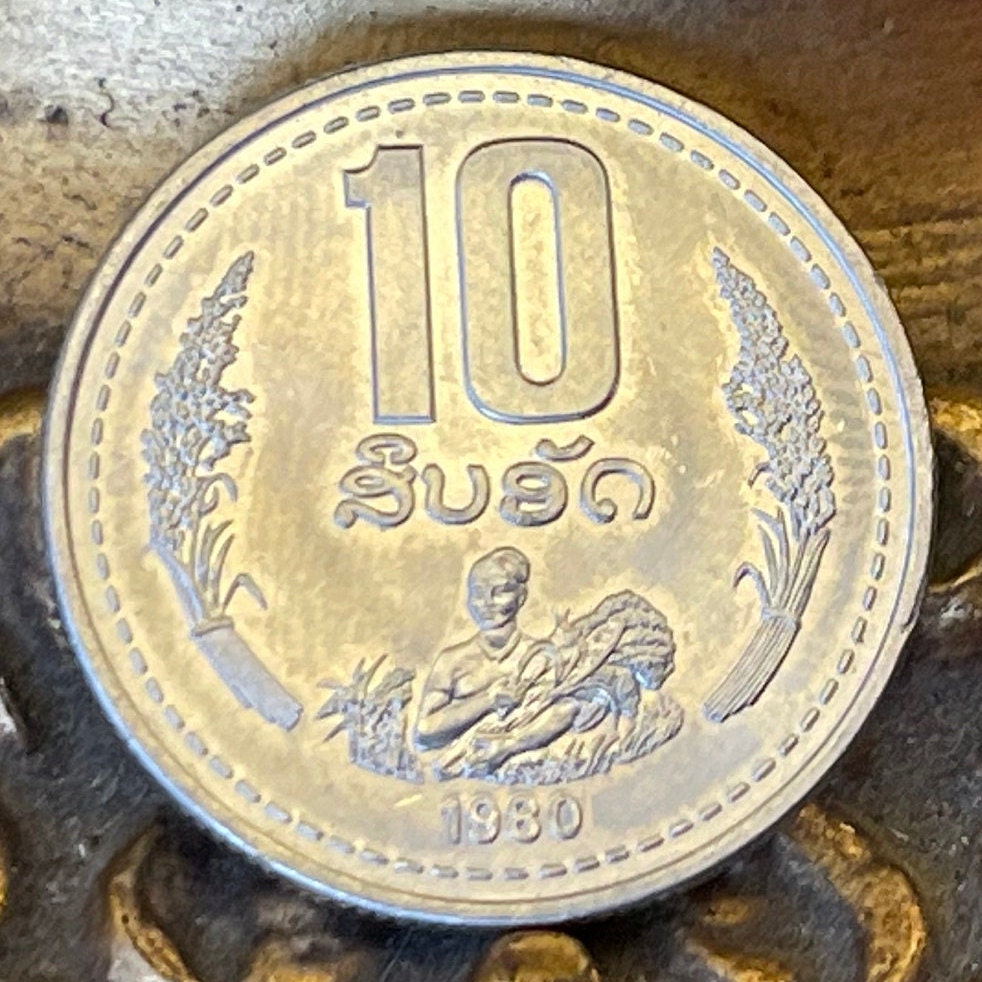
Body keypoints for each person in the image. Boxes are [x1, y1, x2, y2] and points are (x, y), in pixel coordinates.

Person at [413, 547, 580, 778]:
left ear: (521, 597)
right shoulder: (451, 660)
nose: (487, 603)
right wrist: (489, 700)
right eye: (478, 593)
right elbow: (424, 731)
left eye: (500, 591)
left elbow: (565, 711)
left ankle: (502, 749)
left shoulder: (539, 656)